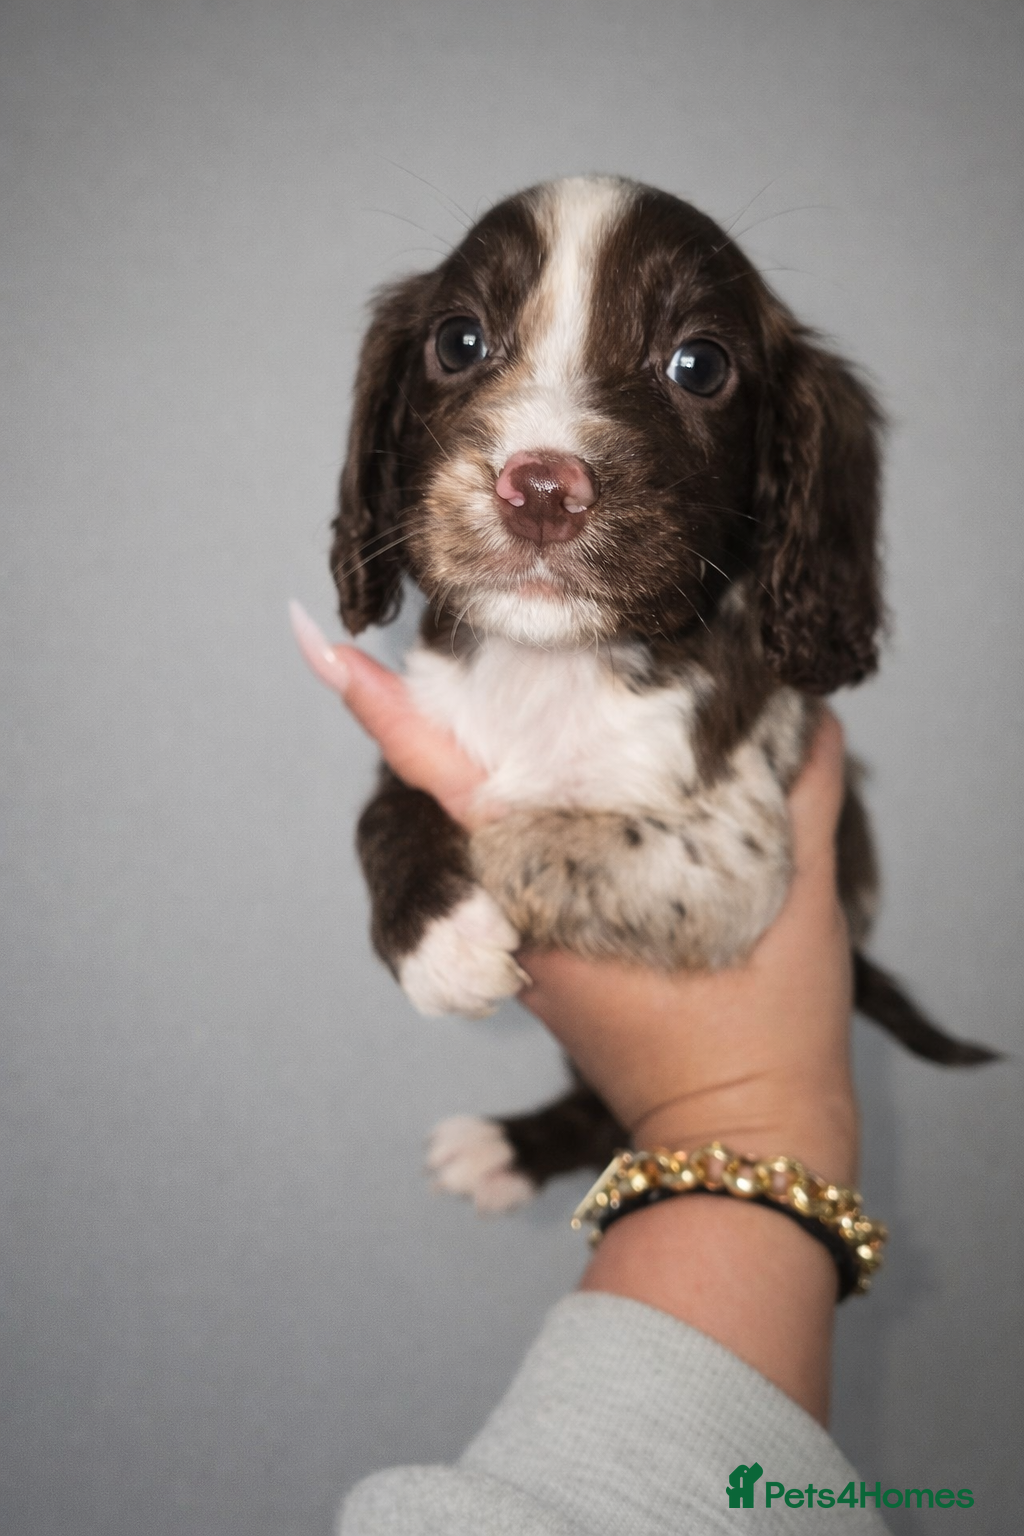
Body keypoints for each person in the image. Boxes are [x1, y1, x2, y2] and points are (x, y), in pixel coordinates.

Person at [292, 610, 891, 1534]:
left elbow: (715, 904)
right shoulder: (460, 661)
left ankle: (573, 1130)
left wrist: (737, 1103)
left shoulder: (714, 671)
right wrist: (750, 1106)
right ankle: (576, 1129)